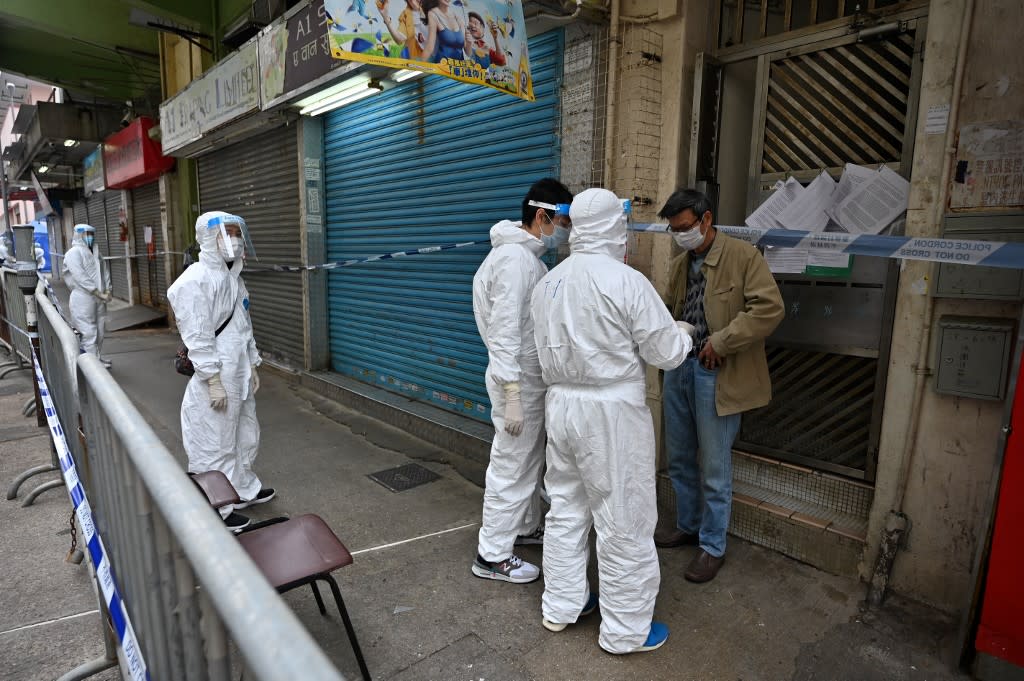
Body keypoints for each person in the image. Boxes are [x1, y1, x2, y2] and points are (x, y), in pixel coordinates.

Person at [531, 188, 694, 654]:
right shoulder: (625, 280)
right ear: (614, 226)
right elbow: (663, 352)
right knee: (624, 518)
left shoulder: (549, 282)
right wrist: (682, 333)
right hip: (610, 413)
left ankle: (562, 606)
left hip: (560, 407)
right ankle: (626, 631)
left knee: (565, 511)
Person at [653, 189, 784, 583]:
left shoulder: (744, 258)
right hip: (679, 368)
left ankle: (712, 545)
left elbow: (769, 309)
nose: (680, 235)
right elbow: (668, 309)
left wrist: (722, 341)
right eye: (674, 230)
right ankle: (688, 525)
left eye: (685, 228)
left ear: (707, 220)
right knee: (677, 458)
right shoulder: (680, 265)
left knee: (714, 465)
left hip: (717, 374)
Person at [471, 178, 573, 584]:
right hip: (517, 382)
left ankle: (525, 526)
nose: (565, 229)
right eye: (562, 220)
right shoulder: (515, 261)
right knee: (511, 465)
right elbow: (505, 332)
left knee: (528, 460)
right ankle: (491, 554)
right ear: (543, 215)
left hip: (526, 380)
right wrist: (513, 393)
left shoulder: (525, 258)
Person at [167, 211, 274, 533]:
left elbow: (243, 325)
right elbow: (197, 335)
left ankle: (242, 489)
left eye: (237, 233)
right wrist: (212, 379)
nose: (235, 240)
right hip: (216, 373)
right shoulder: (194, 281)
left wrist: (252, 362)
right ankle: (216, 509)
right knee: (213, 440)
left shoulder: (233, 278)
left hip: (238, 369)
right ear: (207, 239)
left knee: (244, 431)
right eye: (227, 234)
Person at [62, 224, 112, 368]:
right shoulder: (73, 253)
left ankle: (97, 357)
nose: (90, 237)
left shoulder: (95, 251)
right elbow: (79, 275)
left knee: (100, 329)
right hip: (83, 297)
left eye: (91, 233)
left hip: (99, 298)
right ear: (79, 234)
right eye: (87, 234)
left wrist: (107, 290)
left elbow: (105, 272)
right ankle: (92, 365)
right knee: (88, 331)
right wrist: (95, 291)